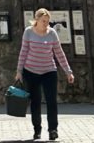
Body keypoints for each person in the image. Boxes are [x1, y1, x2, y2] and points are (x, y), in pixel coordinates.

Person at [15, 8, 74, 141]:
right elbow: (23, 52)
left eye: (48, 22)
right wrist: (19, 71)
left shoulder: (52, 33)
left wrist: (68, 71)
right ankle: (37, 130)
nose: (46, 24)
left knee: (51, 101)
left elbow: (59, 53)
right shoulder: (28, 32)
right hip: (31, 72)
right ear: (36, 20)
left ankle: (53, 129)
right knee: (35, 102)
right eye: (43, 21)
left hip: (49, 71)